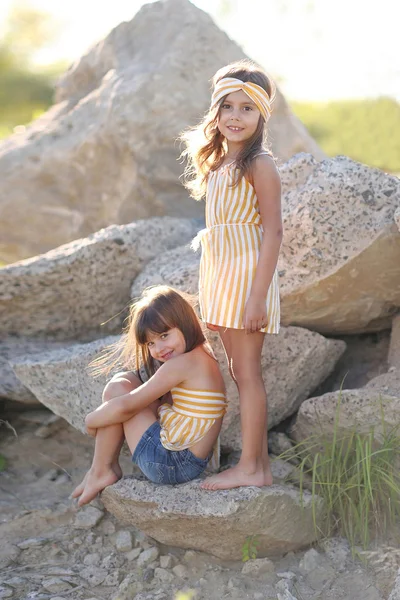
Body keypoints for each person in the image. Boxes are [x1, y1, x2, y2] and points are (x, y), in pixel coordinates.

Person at [180, 59, 282, 490]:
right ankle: (250, 465)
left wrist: (257, 297)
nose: (235, 117)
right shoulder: (220, 165)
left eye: (247, 109)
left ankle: (253, 468)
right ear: (215, 113)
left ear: (261, 117)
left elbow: (274, 232)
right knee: (240, 373)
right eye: (227, 107)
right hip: (223, 282)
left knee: (248, 373)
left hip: (248, 285)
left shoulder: (260, 164)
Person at [71, 285, 226, 506]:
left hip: (173, 465)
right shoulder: (201, 354)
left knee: (117, 392)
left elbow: (126, 408)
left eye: (164, 335)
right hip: (190, 460)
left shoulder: (182, 364)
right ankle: (102, 468)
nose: (159, 348)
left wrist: (90, 420)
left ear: (185, 322)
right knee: (124, 382)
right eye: (151, 343)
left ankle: (101, 469)